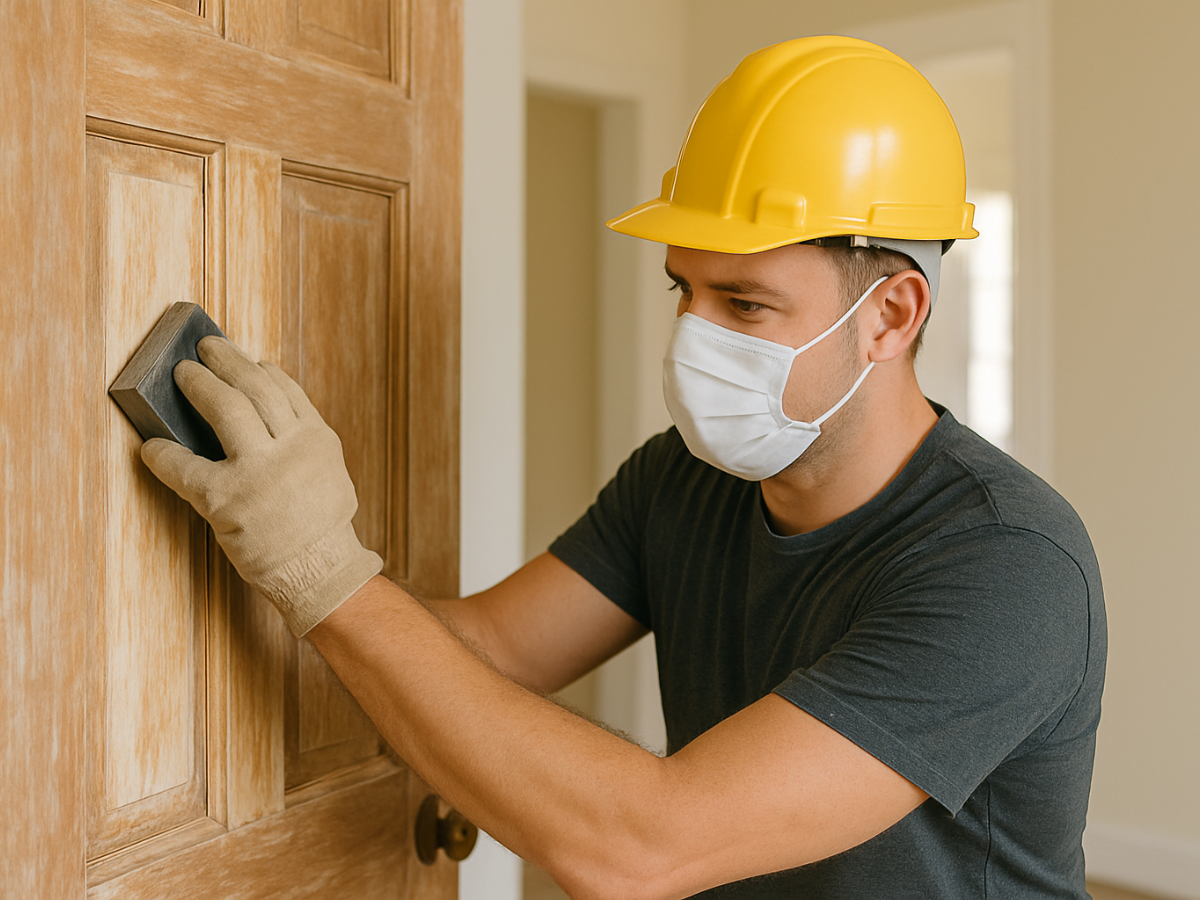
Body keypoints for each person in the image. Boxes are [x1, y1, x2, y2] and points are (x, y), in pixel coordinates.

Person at [142, 36, 1105, 900]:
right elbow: (486, 650)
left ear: (892, 315)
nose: (694, 334)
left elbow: (647, 847)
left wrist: (321, 567)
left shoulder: (1009, 567)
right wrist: (261, 515)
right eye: (684, 288)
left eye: (747, 304)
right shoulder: (682, 481)